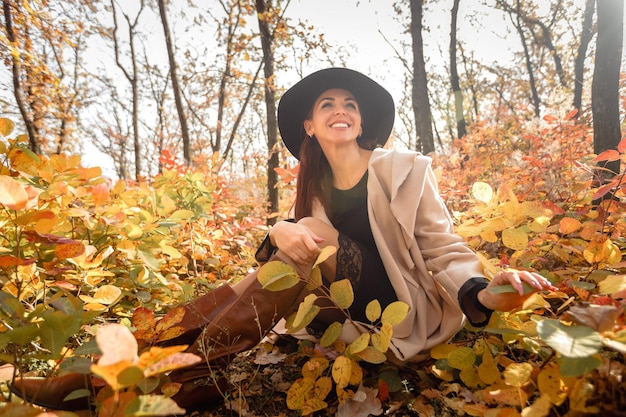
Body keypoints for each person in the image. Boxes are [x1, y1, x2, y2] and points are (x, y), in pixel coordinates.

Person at [10, 67, 556, 411]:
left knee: (309, 235)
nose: (340, 110)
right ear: (310, 128)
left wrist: (482, 293)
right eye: (327, 106)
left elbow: (442, 246)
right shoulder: (315, 188)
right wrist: (280, 226)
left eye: (349, 104)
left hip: (400, 313)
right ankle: (144, 378)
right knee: (273, 261)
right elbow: (278, 262)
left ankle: (124, 379)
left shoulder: (403, 169)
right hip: (340, 313)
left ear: (360, 121)